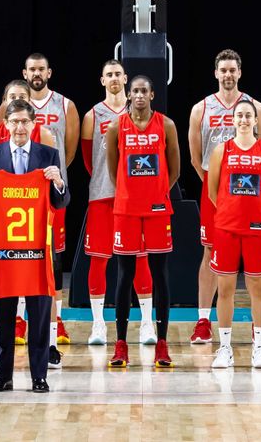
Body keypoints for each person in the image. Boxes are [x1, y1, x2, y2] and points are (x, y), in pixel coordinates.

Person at [0, 100, 69, 393]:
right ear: (5, 124)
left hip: (37, 249)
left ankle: (38, 376)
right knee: (5, 312)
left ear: (34, 125)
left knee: (40, 313)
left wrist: (58, 183)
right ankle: (3, 376)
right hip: (5, 249)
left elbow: (61, 202)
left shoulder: (48, 154)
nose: (19, 128)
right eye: (14, 122)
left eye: (24, 122)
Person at [186, 50, 261, 349]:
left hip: (250, 191)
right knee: (211, 254)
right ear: (216, 73)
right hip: (216, 187)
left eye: (233, 69)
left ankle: (256, 325)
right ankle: (203, 320)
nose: (228, 74)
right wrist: (217, 190)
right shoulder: (201, 108)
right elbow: (196, 159)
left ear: (240, 72)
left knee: (253, 262)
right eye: (223, 70)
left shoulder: (256, 108)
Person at [102, 75, 182, 369]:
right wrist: (128, 193)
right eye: (134, 91)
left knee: (160, 274)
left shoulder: (167, 125)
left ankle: (162, 342)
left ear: (152, 95)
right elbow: (113, 169)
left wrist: (157, 191)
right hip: (126, 210)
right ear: (129, 94)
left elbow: (175, 168)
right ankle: (121, 342)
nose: (138, 95)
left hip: (158, 210)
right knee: (124, 276)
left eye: (143, 91)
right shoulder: (115, 126)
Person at [79, 60, 156, 347]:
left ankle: (146, 323)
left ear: (125, 78)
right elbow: (90, 161)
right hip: (102, 195)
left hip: (136, 198)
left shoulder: (140, 111)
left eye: (117, 74)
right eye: (108, 75)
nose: (114, 79)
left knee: (141, 259)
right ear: (102, 80)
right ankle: (99, 324)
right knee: (99, 259)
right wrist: (108, 180)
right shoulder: (92, 116)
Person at [205, 98, 261, 370]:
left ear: (256, 121)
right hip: (227, 229)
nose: (244, 120)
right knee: (225, 290)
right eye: (240, 116)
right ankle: (224, 348)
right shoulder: (222, 150)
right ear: (232, 120)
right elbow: (213, 192)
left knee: (259, 290)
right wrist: (230, 213)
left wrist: (259, 213)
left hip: (257, 231)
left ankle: (259, 348)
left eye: (248, 116)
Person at [21, 53, 80, 346]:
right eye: (32, 69)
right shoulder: (16, 103)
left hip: (51, 194)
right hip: (20, 196)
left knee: (54, 259)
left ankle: (57, 320)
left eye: (41, 68)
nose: (36, 73)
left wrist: (50, 176)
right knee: (19, 258)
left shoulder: (65, 105)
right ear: (25, 72)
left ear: (49, 72)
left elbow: (68, 153)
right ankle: (19, 320)